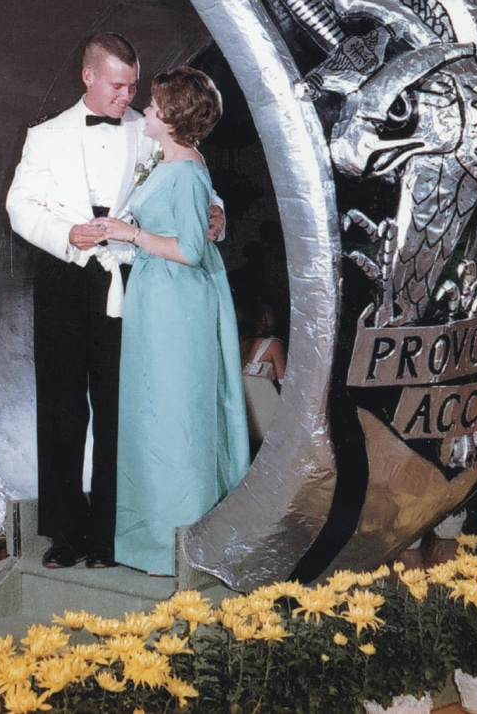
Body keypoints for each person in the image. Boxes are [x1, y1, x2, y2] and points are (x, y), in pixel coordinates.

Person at [6, 34, 223, 570]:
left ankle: (110, 536)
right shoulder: (45, 136)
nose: (127, 96)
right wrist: (66, 233)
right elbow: (19, 205)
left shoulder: (151, 130)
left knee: (119, 410)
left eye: (133, 86)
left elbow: (194, 180)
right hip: (64, 279)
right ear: (89, 77)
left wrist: (219, 214)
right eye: (118, 85)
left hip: (133, 283)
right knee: (60, 409)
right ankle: (65, 534)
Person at [97, 67, 250, 576]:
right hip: (158, 301)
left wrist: (129, 233)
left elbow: (187, 247)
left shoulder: (183, 168)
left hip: (175, 304)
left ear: (172, 116)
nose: (147, 110)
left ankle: (177, 543)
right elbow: (202, 210)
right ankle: (153, 537)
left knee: (175, 417)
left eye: (156, 105)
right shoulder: (178, 160)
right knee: (155, 414)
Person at [236, 299, 286, 449]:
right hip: (267, 420)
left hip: (241, 422)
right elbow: (286, 384)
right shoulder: (272, 345)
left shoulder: (233, 346)